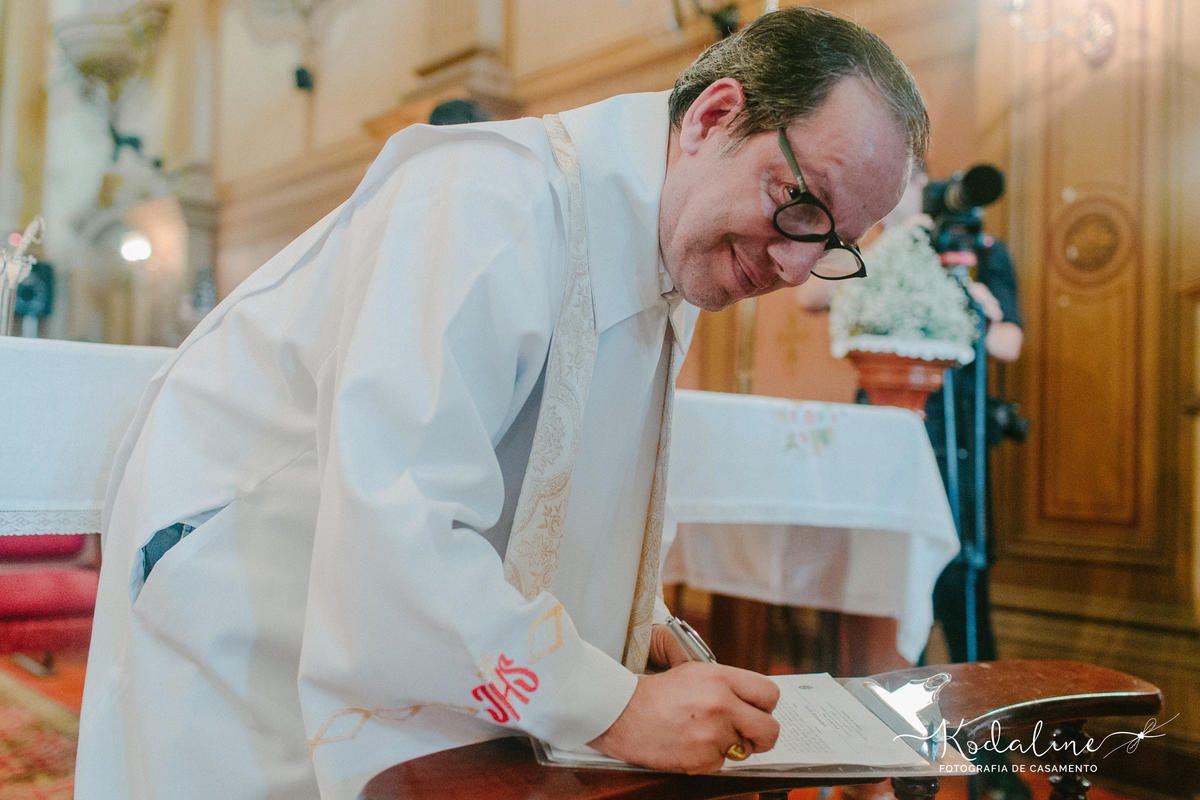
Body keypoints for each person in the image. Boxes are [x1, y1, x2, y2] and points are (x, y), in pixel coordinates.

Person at [74, 8, 929, 799]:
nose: (794, 265)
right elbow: (396, 527)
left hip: (366, 615)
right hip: (251, 610)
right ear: (711, 117)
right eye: (802, 203)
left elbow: (543, 495)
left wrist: (640, 624)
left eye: (833, 243)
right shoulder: (489, 199)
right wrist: (613, 705)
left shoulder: (667, 254)